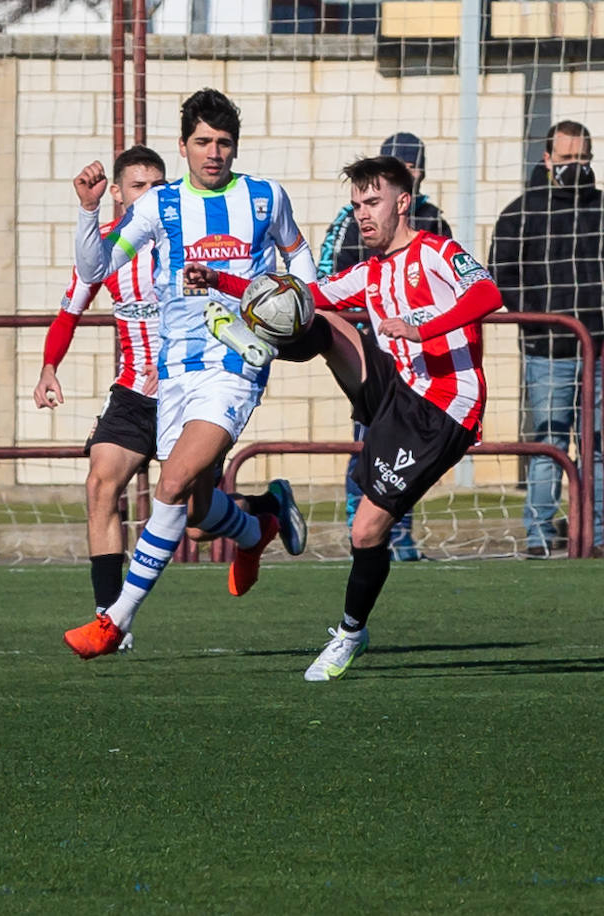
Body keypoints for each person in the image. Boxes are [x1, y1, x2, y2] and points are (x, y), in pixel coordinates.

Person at [186, 155, 502, 681]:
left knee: (365, 532)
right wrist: (218, 279)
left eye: (372, 202)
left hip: (443, 406)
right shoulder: (370, 272)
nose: (362, 214)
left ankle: (351, 632)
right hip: (397, 391)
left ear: (403, 203)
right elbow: (302, 295)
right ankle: (258, 341)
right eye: (356, 205)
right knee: (318, 313)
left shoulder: (438, 252)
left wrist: (423, 329)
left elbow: (489, 293)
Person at [62, 88, 313, 659]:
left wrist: (292, 305)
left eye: (224, 143)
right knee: (196, 513)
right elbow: (97, 267)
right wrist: (87, 211)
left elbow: (301, 259)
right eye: (203, 142)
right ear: (183, 146)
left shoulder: (264, 198)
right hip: (175, 371)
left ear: (235, 147)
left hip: (236, 365)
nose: (214, 152)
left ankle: (114, 621)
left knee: (169, 487)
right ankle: (260, 523)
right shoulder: (159, 206)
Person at [489, 120, 604, 558]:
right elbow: (502, 276)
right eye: (565, 159)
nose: (574, 166)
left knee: (597, 446)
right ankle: (539, 537)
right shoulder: (521, 214)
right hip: (548, 353)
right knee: (547, 445)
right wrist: (537, 326)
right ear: (547, 160)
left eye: (581, 159)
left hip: (600, 351)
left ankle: (598, 538)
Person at [34, 145, 164, 653]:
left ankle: (261, 512)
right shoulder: (109, 248)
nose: (149, 196)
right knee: (99, 485)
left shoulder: (185, 243)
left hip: (185, 394)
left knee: (196, 521)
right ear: (117, 192)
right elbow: (69, 312)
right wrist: (49, 367)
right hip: (132, 394)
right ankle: (111, 620)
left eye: (158, 187)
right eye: (138, 187)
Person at [319, 132, 452, 562]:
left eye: (414, 167)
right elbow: (328, 278)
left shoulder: (434, 222)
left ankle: (400, 536)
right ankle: (360, 533)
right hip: (378, 358)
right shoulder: (349, 220)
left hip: (430, 368)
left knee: (408, 459)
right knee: (369, 445)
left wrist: (426, 326)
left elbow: (460, 290)